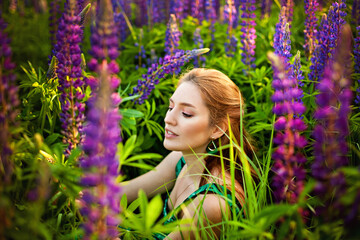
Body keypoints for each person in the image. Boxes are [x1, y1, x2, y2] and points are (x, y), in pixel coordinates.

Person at [121, 68, 255, 239]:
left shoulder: (212, 202)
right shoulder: (181, 160)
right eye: (171, 107)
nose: (168, 119)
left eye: (186, 113)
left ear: (217, 128)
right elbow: (122, 192)